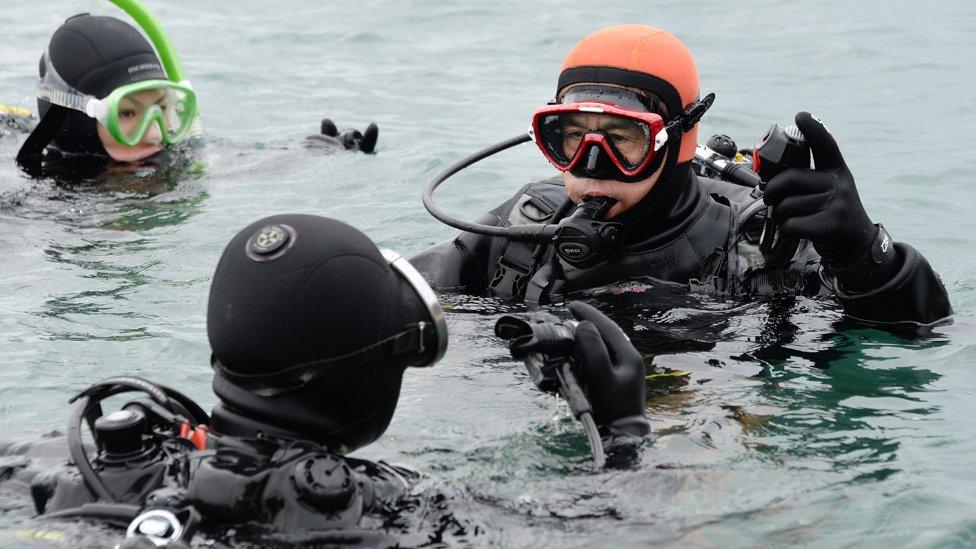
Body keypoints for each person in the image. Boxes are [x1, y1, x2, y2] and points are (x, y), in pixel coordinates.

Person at [21, 214, 647, 546]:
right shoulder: (386, 513)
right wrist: (623, 434)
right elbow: (617, 532)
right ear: (370, 372)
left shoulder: (99, 462)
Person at [410, 24, 952, 325]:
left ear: (677, 140)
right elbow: (395, 295)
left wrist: (865, 256)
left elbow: (923, 333)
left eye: (623, 141)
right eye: (572, 138)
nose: (592, 167)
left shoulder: (758, 246)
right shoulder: (526, 230)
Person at [15, 9, 201, 175]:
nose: (156, 135)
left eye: (161, 107)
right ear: (78, 124)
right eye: (127, 113)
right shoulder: (36, 205)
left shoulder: (185, 162)